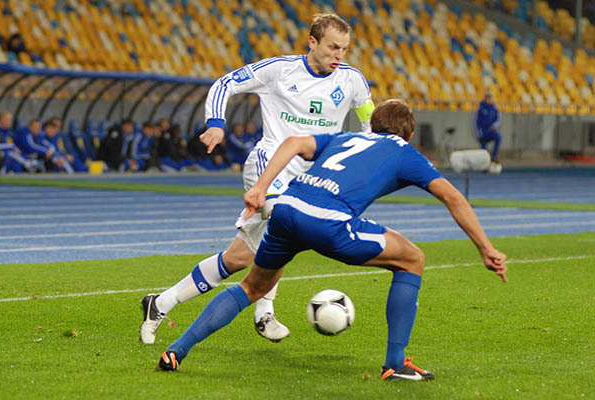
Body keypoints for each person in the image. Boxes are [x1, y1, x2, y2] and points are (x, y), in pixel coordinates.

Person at [156, 99, 508, 381]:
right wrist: (486, 248)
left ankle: (176, 351)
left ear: (372, 125)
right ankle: (395, 363)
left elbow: (293, 143)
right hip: (328, 222)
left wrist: (261, 187)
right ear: (410, 134)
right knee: (412, 258)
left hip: (287, 208)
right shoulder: (404, 151)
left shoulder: (345, 138)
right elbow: (453, 197)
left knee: (251, 287)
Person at [140, 13, 376, 344]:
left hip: (310, 179)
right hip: (269, 167)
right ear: (312, 42)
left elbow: (369, 123)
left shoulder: (352, 80)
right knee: (287, 224)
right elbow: (225, 83)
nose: (339, 55)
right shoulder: (280, 70)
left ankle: (160, 303)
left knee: (239, 257)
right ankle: (264, 312)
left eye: (344, 49)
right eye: (333, 47)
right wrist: (216, 123)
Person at [474, 92, 502, 164]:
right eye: (487, 97)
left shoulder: (494, 109)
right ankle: (486, 160)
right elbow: (475, 122)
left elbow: (498, 119)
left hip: (491, 131)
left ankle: (494, 156)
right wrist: (478, 134)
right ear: (485, 98)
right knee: (483, 147)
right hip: (483, 132)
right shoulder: (480, 109)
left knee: (498, 137)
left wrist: (493, 126)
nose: (489, 99)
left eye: (490, 98)